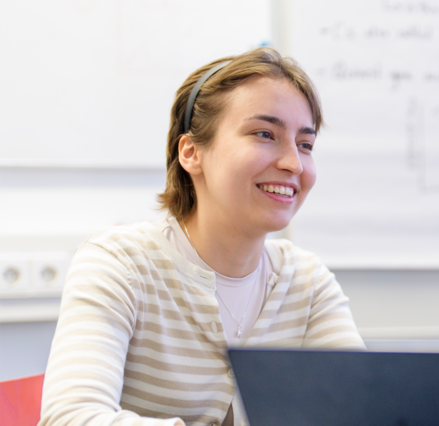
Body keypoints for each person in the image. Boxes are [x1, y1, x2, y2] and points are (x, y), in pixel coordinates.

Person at [39, 48, 365, 426]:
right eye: (265, 134)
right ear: (192, 153)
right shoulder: (119, 263)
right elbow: (69, 418)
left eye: (305, 144)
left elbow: (360, 412)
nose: (293, 163)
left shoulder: (307, 282)